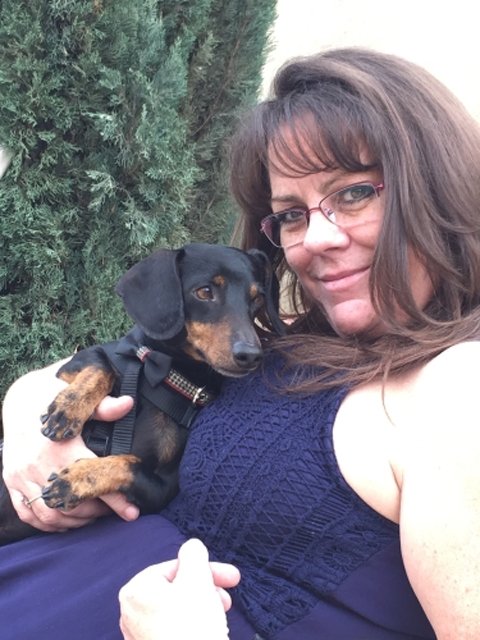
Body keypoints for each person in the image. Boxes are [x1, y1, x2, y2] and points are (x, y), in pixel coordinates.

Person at [2, 46, 480, 639]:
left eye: (355, 192)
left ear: (438, 186)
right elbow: (77, 371)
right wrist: (29, 431)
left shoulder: (460, 388)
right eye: (292, 214)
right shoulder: (281, 341)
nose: (316, 238)